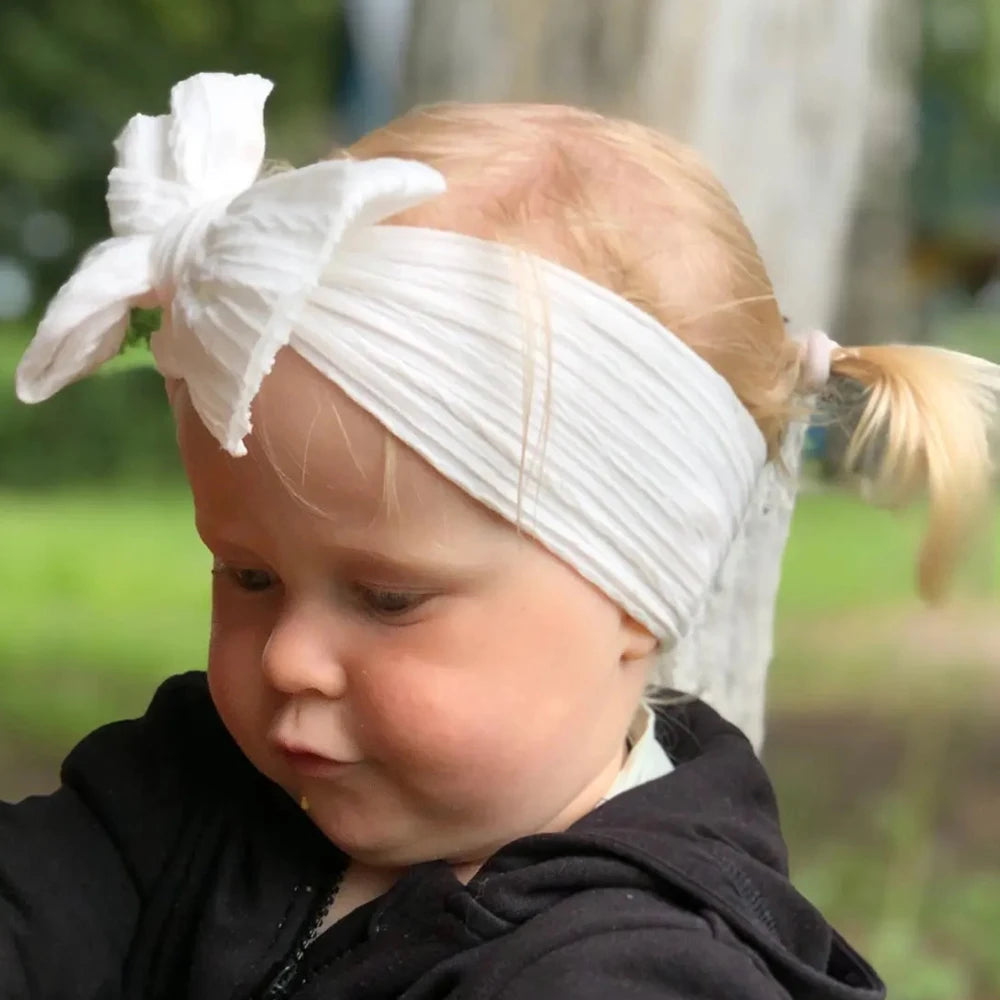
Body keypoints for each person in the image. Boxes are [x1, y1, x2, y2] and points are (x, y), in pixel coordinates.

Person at [5, 72, 998, 1000]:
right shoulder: (193, 787)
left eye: (386, 596)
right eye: (247, 573)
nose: (290, 657)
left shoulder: (636, 968)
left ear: (631, 598)